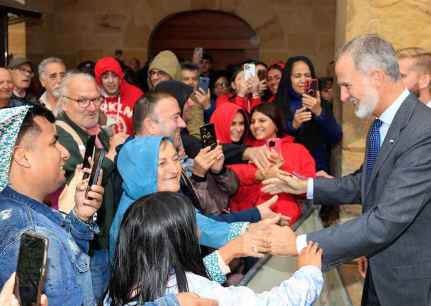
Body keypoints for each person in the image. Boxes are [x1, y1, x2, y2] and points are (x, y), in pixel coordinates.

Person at [262, 34, 431, 306]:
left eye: (347, 85)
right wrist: (306, 186)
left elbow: (386, 221)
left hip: (408, 285)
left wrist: (298, 243)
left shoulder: (423, 132)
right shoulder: (382, 124)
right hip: (378, 272)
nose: (342, 96)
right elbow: (364, 183)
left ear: (376, 77)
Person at [106, 192, 323, 306]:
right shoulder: (196, 291)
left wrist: (232, 250)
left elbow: (178, 280)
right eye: (194, 225)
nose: (199, 232)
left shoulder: (118, 287)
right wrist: (308, 272)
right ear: (179, 239)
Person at [0, 105, 104, 306]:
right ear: (22, 156)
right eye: (54, 142)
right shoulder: (33, 233)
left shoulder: (12, 209)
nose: (64, 153)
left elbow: (67, 256)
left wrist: (80, 219)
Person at [55, 70, 128, 301]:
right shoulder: (60, 135)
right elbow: (81, 182)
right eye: (82, 100)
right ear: (64, 103)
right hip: (86, 246)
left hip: (105, 240)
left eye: (96, 99)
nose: (92, 106)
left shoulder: (96, 133)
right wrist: (113, 154)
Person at [211, 102, 315, 224]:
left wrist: (284, 169)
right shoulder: (244, 152)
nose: (256, 125)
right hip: (249, 221)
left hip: (287, 221)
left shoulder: (297, 150)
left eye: (262, 120)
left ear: (276, 124)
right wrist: (259, 174)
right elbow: (233, 179)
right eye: (252, 122)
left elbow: (309, 186)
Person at [274, 55, 342, 174]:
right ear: (288, 79)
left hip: (318, 171)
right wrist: (293, 126)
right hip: (288, 170)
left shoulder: (322, 103)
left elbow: (335, 136)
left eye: (307, 75)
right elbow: (273, 140)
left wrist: (319, 112)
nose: (303, 80)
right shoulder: (278, 104)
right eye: (297, 76)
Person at [95, 56, 144, 135]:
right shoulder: (93, 97)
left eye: (114, 75)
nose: (111, 81)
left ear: (120, 76)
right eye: (105, 77)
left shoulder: (135, 94)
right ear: (99, 80)